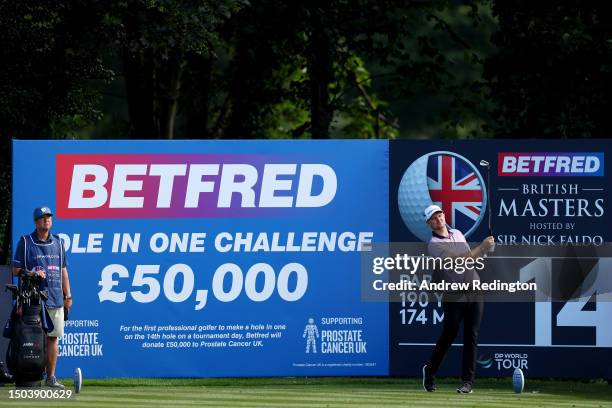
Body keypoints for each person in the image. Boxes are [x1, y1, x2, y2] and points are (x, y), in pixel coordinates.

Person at [421, 204, 494, 394]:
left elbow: (470, 260)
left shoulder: (458, 233)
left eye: (440, 214)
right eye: (434, 218)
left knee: (472, 337)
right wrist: (483, 246)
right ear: (429, 224)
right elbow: (461, 260)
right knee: (449, 334)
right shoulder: (434, 244)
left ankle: (467, 382)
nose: (439, 219)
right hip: (454, 294)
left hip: (475, 290)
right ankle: (430, 370)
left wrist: (486, 249)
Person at [11, 206, 72, 389]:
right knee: (32, 337)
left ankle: (51, 378)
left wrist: (68, 295)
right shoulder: (26, 241)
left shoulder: (59, 243)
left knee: (53, 338)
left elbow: (63, 271)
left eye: (49, 217)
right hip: (33, 300)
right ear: (36, 222)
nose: (46, 220)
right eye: (42, 217)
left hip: (55, 298)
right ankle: (31, 376)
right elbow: (15, 270)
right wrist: (32, 273)